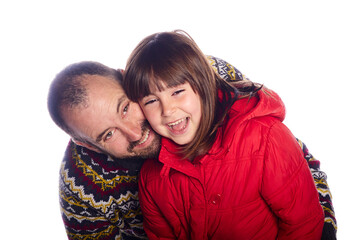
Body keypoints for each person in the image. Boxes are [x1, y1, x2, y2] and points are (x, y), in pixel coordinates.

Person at [48, 57, 337, 239]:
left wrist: (322, 229)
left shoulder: (200, 78)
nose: (135, 134)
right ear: (87, 144)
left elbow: (287, 158)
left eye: (125, 108)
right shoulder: (81, 188)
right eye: (109, 134)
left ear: (129, 79)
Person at [122, 30, 329, 239]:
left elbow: (304, 224)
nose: (167, 110)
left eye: (177, 92)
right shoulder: (151, 177)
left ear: (203, 85)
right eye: (151, 101)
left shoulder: (264, 138)